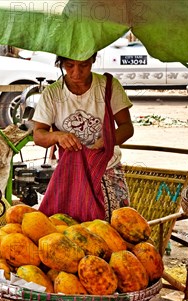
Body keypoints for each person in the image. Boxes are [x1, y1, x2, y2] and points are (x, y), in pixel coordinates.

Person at [32, 53, 134, 222]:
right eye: (70, 66)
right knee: (68, 229)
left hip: (107, 168)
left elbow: (126, 128)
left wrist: (107, 141)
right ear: (61, 63)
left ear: (93, 60)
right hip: (71, 172)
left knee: (115, 231)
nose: (76, 73)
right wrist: (58, 136)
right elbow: (38, 135)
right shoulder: (52, 94)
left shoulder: (108, 86)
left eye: (84, 65)